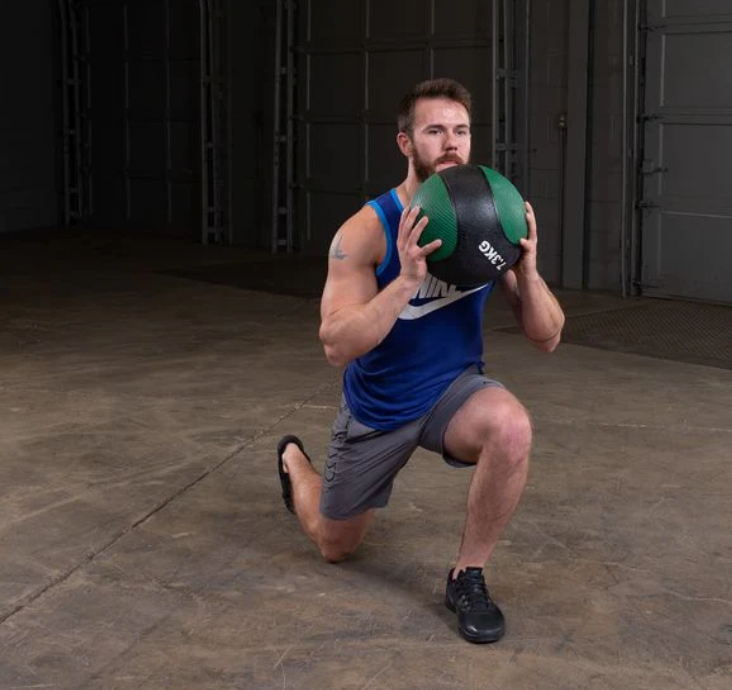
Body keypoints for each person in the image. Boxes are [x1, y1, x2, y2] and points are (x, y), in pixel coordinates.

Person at [276, 78, 565, 644]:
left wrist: (526, 273)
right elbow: (336, 343)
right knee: (336, 545)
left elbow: (548, 337)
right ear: (405, 142)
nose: (450, 143)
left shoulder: (487, 211)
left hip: (454, 393)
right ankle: (293, 463)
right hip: (379, 408)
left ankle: (468, 575)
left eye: (460, 130)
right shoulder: (367, 232)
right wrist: (406, 279)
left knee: (512, 427)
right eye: (434, 131)